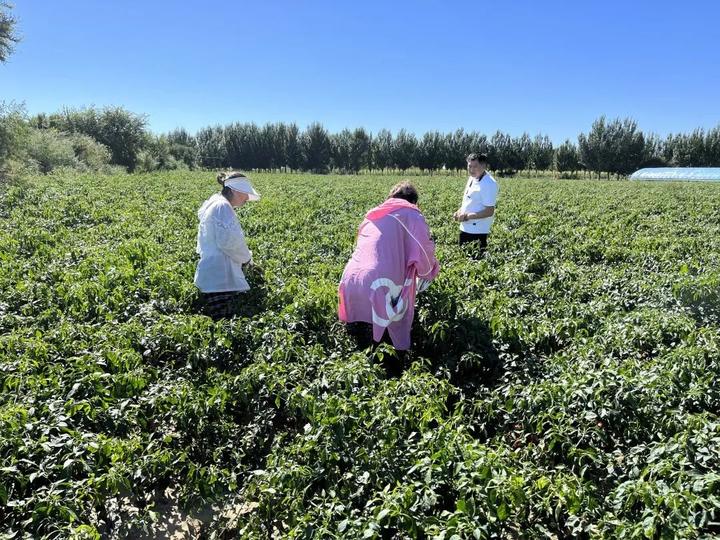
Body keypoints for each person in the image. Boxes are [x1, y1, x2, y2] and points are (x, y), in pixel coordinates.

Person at [338, 181, 440, 357]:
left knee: (357, 343)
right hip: (380, 282)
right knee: (383, 347)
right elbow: (424, 250)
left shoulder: (373, 215)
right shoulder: (412, 216)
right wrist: (427, 272)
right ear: (414, 201)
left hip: (350, 278)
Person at [194, 171, 260, 319]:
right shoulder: (223, 207)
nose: (248, 198)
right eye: (245, 193)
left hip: (214, 276)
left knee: (221, 325)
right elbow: (230, 243)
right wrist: (248, 260)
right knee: (224, 324)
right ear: (236, 191)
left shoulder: (217, 203)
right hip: (220, 279)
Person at [453, 153, 498, 256]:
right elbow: (469, 201)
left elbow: (489, 211)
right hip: (465, 228)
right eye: (469, 166)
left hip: (477, 231)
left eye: (475, 166)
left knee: (475, 262)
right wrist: (459, 212)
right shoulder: (472, 178)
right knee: (462, 259)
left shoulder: (489, 184)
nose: (471, 169)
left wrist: (468, 216)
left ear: (484, 166)